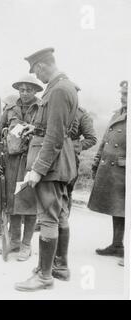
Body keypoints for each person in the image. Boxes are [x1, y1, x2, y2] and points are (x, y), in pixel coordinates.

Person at [14, 48, 78, 291]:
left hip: (51, 166)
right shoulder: (63, 86)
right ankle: (59, 266)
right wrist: (35, 128)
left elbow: (55, 136)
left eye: (36, 72)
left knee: (48, 218)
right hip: (60, 162)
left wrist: (38, 170)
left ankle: (44, 275)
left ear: (41, 66)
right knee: (59, 214)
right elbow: (51, 127)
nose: (36, 77)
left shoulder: (59, 90)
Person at [0, 76, 43, 261]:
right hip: (10, 163)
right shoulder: (10, 110)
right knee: (12, 203)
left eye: (29, 90)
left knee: (28, 204)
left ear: (36, 91)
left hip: (31, 163)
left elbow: (49, 136)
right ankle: (14, 240)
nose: (25, 93)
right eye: (22, 89)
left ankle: (26, 245)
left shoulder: (43, 109)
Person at [88, 80, 127, 267]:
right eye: (122, 93)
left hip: (124, 170)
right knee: (117, 209)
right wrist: (96, 162)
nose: (122, 96)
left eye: (126, 94)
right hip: (114, 171)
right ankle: (117, 245)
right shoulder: (118, 114)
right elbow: (104, 141)